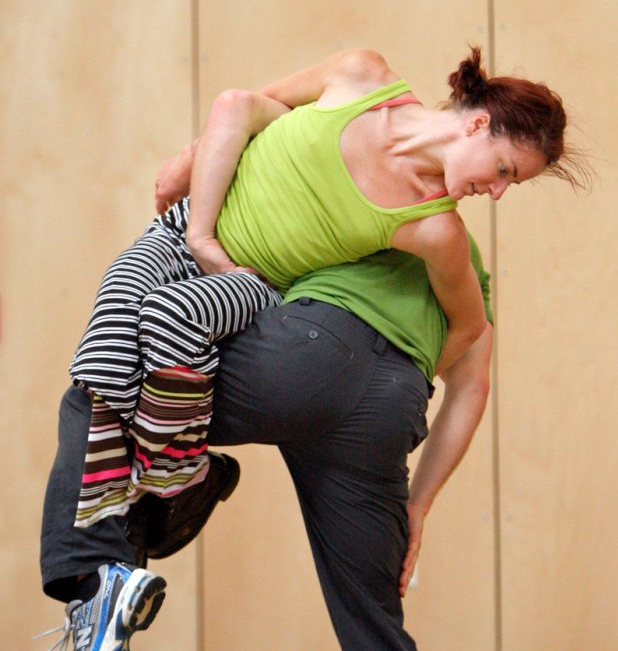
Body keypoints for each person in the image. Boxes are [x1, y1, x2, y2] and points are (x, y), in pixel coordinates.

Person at [39, 229, 493, 651]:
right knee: (373, 623)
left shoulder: (355, 188)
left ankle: (98, 572)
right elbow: (470, 385)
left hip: (306, 355)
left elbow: (231, 212)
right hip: (389, 402)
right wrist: (419, 503)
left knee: (104, 387)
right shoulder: (466, 266)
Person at [68, 46, 576, 528]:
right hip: (184, 230)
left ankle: (168, 488)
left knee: (164, 318)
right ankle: (159, 500)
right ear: (478, 124)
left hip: (249, 281)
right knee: (103, 355)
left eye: (512, 184)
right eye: (503, 170)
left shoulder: (436, 229)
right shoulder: (362, 74)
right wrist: (191, 161)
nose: (497, 192)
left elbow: (469, 325)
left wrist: (400, 388)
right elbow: (252, 107)